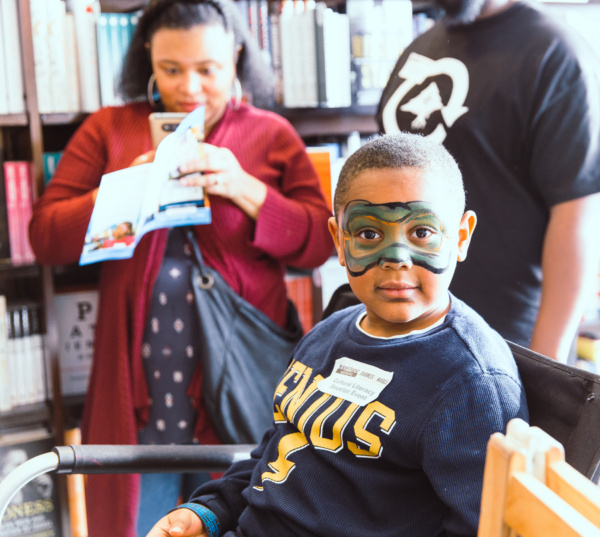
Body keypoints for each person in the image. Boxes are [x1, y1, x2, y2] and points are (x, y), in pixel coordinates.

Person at [28, 1, 333, 536]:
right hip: (136, 396)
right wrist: (123, 189)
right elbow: (46, 237)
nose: (189, 87)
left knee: (244, 516)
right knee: (135, 523)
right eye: (170, 69)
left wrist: (243, 187)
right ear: (148, 59)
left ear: (236, 57)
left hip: (241, 389)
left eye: (207, 70)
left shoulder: (271, 134)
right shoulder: (110, 129)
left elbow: (318, 243)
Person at [145, 133, 529, 537]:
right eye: (368, 234)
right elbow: (277, 450)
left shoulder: (471, 384)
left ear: (461, 237)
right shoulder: (326, 335)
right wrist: (208, 512)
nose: (396, 258)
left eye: (421, 232)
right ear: (339, 242)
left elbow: (483, 527)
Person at [377, 0, 600, 362]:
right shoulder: (419, 50)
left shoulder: (554, 55)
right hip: (412, 335)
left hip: (507, 347)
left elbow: (578, 216)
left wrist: (546, 369)